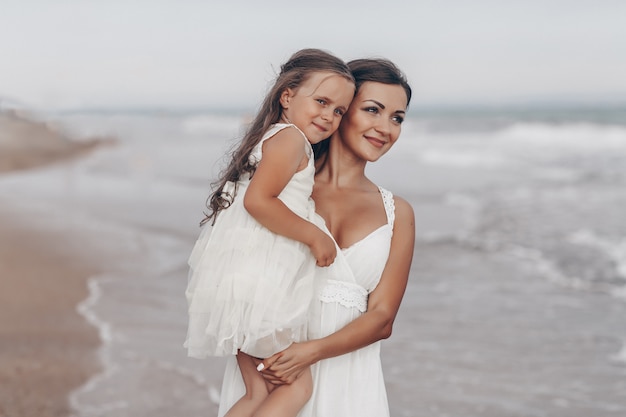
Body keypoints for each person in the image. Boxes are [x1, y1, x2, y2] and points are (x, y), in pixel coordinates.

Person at [216, 58, 414, 417]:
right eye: (373, 110)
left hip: (349, 382)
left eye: (397, 117)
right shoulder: (285, 190)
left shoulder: (397, 213)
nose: (386, 128)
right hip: (274, 374)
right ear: (340, 109)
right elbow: (237, 262)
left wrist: (310, 352)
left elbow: (383, 318)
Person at [184, 49, 355, 417]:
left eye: (339, 111)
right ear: (287, 96)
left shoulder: (275, 138)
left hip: (243, 286)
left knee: (257, 392)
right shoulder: (291, 140)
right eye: (322, 102)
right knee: (298, 388)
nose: (329, 116)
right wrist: (315, 235)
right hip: (264, 291)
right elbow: (259, 202)